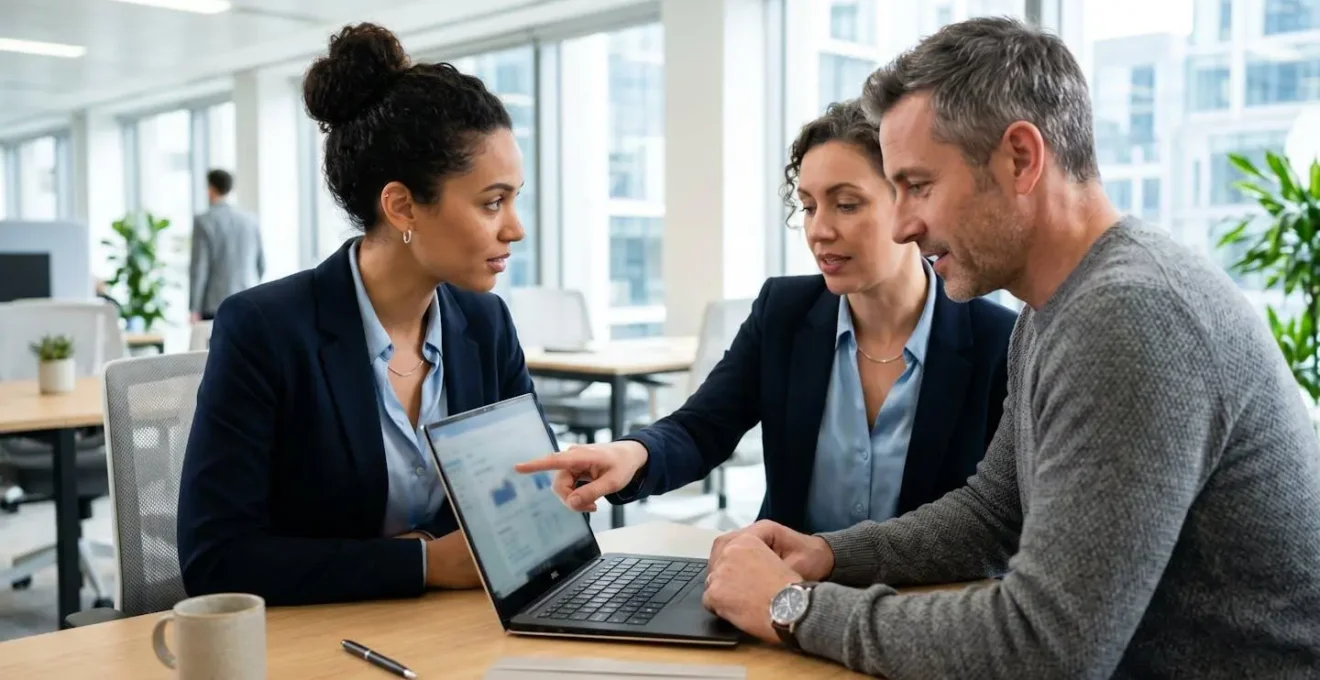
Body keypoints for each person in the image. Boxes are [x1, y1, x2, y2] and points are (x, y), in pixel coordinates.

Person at [697, 17, 1320, 679]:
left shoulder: (1130, 316)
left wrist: (793, 608)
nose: (905, 224)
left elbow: (1045, 648)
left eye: (919, 186)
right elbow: (992, 512)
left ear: (1020, 158)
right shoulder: (1056, 309)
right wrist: (826, 555)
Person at [516, 100, 1016, 534]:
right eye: (808, 206)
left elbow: (996, 521)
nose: (819, 230)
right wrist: (631, 454)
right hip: (780, 598)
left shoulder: (998, 340)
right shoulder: (784, 312)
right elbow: (702, 426)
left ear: (907, 201)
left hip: (919, 613)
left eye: (846, 204)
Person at [177, 23, 532, 606]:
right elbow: (217, 557)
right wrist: (423, 562)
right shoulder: (265, 331)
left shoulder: (486, 325)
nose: (515, 228)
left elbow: (522, 506)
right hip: (320, 647)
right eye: (493, 202)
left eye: (515, 199)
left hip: (458, 638)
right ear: (400, 205)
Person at [189, 168, 265, 322]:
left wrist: (194, 308)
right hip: (248, 301)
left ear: (211, 189)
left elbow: (199, 269)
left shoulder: (203, 222)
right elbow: (261, 265)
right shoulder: (250, 220)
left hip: (215, 305)